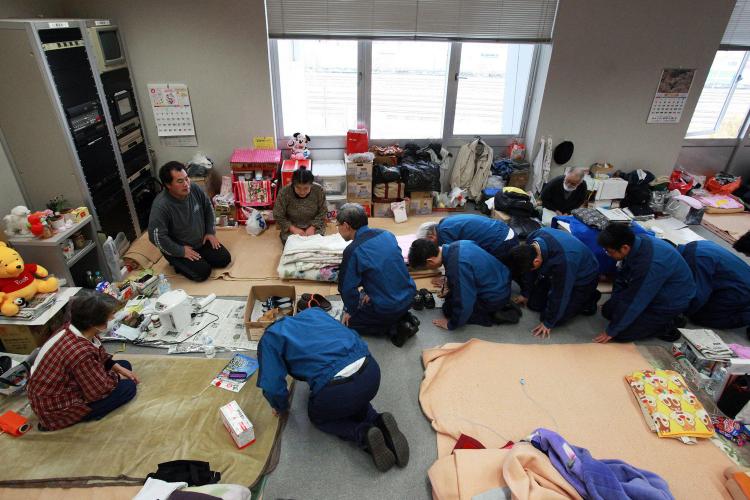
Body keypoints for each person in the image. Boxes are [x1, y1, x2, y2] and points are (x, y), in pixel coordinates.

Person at [257, 307, 409, 472]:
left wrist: (280, 407)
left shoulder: (270, 338)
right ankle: (378, 420)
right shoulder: (314, 312)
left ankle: (363, 434)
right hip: (370, 370)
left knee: (321, 417)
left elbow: (272, 386)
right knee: (354, 395)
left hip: (336, 390)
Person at [27, 291, 138, 431]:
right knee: (128, 388)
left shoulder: (70, 328)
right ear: (94, 322)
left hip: (57, 388)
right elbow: (98, 391)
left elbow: (98, 353)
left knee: (124, 365)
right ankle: (79, 416)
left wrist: (115, 367)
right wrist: (116, 377)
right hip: (57, 410)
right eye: (110, 316)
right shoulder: (80, 352)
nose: (113, 317)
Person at [595, 224, 695, 343]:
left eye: (609, 251)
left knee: (621, 334)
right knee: (608, 311)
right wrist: (615, 301)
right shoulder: (637, 242)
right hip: (652, 290)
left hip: (668, 302)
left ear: (624, 248)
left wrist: (612, 331)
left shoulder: (649, 265)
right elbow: (622, 277)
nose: (608, 254)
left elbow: (636, 300)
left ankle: (669, 323)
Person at [337, 203, 418, 347]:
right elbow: (387, 268)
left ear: (346, 225)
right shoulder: (387, 234)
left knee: (349, 322)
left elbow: (346, 289)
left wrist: (350, 311)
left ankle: (396, 328)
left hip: (388, 307)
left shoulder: (353, 250)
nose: (338, 229)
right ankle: (404, 316)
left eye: (338, 225)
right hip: (410, 295)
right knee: (365, 294)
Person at [505, 227, 600, 339]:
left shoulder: (564, 262)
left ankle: (589, 297)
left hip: (583, 280)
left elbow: (560, 293)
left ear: (536, 262)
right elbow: (528, 272)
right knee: (533, 304)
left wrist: (548, 323)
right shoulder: (533, 240)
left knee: (552, 318)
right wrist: (526, 293)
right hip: (556, 269)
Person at [408, 239, 521, 331]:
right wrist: (450, 280)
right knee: (452, 295)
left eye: (426, 267)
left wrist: (451, 324)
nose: (429, 269)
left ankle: (494, 315)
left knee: (448, 308)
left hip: (494, 296)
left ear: (430, 261)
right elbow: (472, 268)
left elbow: (464, 301)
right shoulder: (459, 244)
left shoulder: (457, 266)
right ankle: (498, 305)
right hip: (502, 282)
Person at [148, 161, 231, 282]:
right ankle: (177, 262)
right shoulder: (161, 206)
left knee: (224, 259)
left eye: (187, 179)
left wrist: (210, 232)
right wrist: (180, 251)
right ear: (168, 185)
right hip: (179, 247)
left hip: (200, 241)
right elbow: (155, 237)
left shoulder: (194, 188)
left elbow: (208, 207)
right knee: (203, 272)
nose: (186, 184)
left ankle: (197, 259)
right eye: (180, 181)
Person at [677, 240, 750, 333]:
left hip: (741, 289)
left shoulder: (696, 261)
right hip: (742, 278)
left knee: (700, 317)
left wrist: (675, 312)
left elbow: (697, 297)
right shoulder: (697, 245)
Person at [416, 214, 518, 261]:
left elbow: (453, 258)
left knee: (495, 272)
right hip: (503, 230)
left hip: (502, 241)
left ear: (431, 236)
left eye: (427, 243)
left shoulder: (443, 233)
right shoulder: (444, 223)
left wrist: (448, 279)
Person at [273, 168, 327, 244]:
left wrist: (313, 227)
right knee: (294, 245)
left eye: (306, 188)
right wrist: (293, 229)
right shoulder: (284, 192)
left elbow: (323, 211)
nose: (302, 192)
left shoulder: (318, 190)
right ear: (293, 184)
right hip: (292, 226)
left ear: (311, 185)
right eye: (298, 188)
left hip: (314, 226)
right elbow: (278, 214)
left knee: (315, 245)